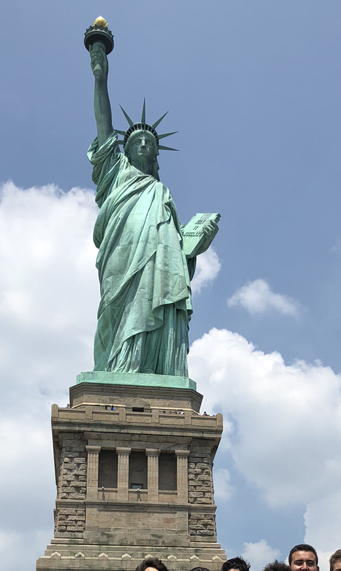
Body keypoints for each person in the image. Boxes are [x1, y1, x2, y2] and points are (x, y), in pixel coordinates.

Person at [87, 40, 219, 376]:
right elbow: (104, 127)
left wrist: (196, 241)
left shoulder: (161, 192)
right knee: (117, 308)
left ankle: (152, 370)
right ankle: (118, 369)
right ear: (127, 150)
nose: (144, 144)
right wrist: (100, 79)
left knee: (155, 299)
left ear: (156, 154)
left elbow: (178, 244)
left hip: (159, 261)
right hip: (121, 254)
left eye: (149, 142)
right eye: (136, 142)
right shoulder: (116, 172)